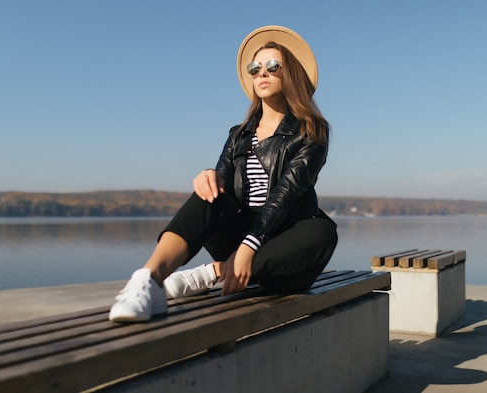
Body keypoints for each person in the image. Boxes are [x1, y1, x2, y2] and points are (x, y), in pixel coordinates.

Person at [109, 25, 338, 322]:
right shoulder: (239, 134)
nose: (261, 74)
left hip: (286, 251)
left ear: (290, 73)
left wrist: (249, 246)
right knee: (210, 191)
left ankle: (214, 271)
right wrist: (208, 175)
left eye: (272, 66)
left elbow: (285, 195)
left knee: (322, 230)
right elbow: (224, 182)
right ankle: (147, 281)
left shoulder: (311, 130)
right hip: (238, 238)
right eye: (255, 68)